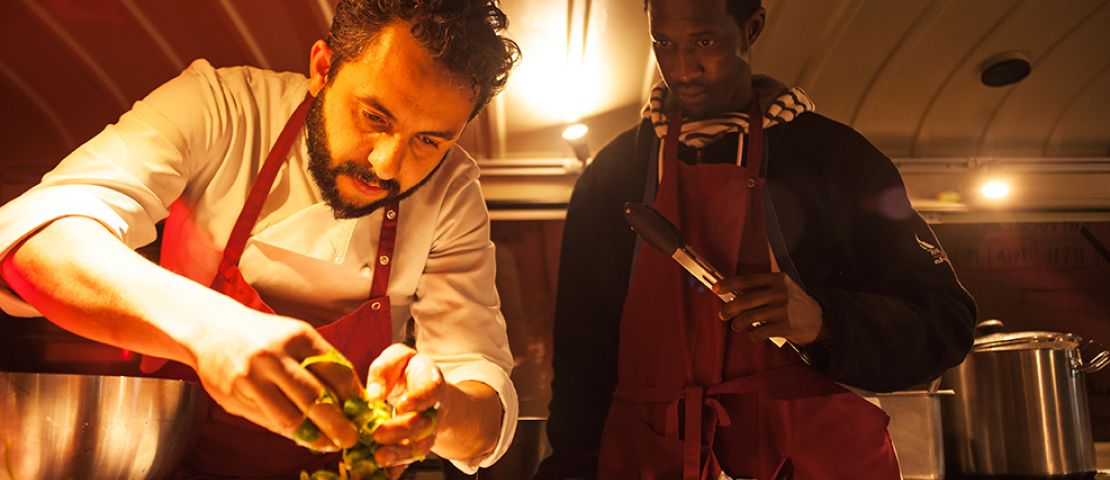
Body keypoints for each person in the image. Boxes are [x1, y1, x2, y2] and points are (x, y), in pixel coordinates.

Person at [0, 0, 521, 477]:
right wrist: (212, 332)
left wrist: (437, 411)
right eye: (373, 116)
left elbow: (485, 403)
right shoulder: (221, 105)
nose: (387, 164)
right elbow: (36, 236)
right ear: (322, 68)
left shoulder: (451, 193)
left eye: (429, 140)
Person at [535, 0, 976, 478]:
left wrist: (826, 322)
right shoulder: (611, 175)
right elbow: (582, 357)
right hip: (651, 458)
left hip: (808, 460)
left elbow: (945, 324)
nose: (682, 69)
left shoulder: (837, 159)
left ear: (753, 26)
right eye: (663, 44)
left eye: (704, 42)